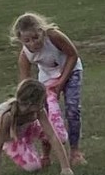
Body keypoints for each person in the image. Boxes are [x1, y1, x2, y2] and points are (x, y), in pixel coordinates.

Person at [10, 12, 84, 165]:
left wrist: (61, 81)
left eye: (35, 38)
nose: (32, 44)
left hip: (70, 70)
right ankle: (46, 154)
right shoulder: (25, 56)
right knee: (44, 113)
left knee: (72, 108)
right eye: (27, 41)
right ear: (21, 40)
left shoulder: (54, 36)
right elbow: (26, 85)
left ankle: (75, 151)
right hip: (47, 77)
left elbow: (73, 55)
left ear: (41, 31)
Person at [0, 79, 74, 175]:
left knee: (61, 136)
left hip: (28, 128)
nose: (44, 103)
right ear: (31, 104)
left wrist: (66, 168)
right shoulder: (7, 116)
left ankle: (43, 153)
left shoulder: (38, 110)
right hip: (11, 136)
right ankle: (26, 146)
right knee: (33, 167)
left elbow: (52, 135)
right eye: (43, 100)